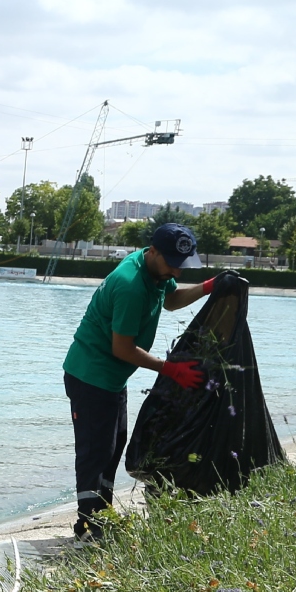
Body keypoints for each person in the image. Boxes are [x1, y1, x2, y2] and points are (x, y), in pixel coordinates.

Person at [61, 222, 218, 540]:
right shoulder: (131, 284)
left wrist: (209, 287)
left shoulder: (153, 270)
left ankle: (101, 516)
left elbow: (170, 300)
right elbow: (123, 349)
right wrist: (171, 369)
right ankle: (88, 527)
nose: (176, 269)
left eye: (182, 263)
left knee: (113, 448)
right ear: (154, 250)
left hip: (112, 380)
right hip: (90, 377)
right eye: (171, 261)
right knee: (95, 454)